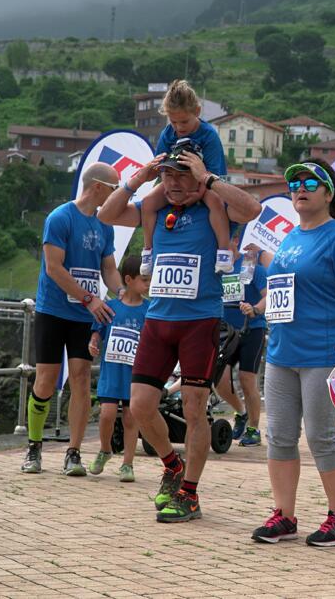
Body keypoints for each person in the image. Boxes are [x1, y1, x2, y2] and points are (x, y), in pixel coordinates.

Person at [98, 146, 261, 523]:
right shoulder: (156, 209)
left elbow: (253, 210)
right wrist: (139, 178)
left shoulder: (214, 206)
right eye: (166, 175)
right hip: (158, 321)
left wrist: (208, 178)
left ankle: (189, 493)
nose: (171, 183)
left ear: (197, 175)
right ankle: (172, 465)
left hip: (199, 323)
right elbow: (105, 214)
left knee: (193, 409)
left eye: (180, 175)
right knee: (139, 405)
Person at [248, 159, 335, 547]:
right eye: (294, 182)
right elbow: (283, 289)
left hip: (323, 352)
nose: (299, 187)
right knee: (280, 436)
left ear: (328, 193)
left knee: (321, 437)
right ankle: (284, 516)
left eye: (309, 182)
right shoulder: (290, 238)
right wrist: (257, 308)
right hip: (282, 353)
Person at [20, 162, 123, 476]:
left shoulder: (105, 225)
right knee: (46, 380)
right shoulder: (60, 218)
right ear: (97, 187)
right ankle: (34, 447)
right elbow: (54, 268)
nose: (117, 194)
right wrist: (90, 298)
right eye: (114, 188)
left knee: (80, 378)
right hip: (54, 310)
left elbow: (108, 268)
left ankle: (73, 452)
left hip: (84, 314)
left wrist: (125, 294)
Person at [139, 80, 233, 276]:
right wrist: (167, 189)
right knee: (148, 202)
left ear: (197, 111)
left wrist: (198, 194)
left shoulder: (209, 136)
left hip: (206, 183)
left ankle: (224, 250)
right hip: (175, 181)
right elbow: (161, 167)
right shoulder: (167, 134)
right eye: (173, 122)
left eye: (184, 122)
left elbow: (213, 175)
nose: (179, 127)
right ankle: (148, 250)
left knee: (215, 201)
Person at [86, 255, 150, 482]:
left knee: (132, 418)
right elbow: (97, 332)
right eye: (144, 280)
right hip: (111, 373)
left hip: (135, 376)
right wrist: (93, 341)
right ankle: (105, 449)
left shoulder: (149, 310)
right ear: (128, 280)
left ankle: (128, 464)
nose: (148, 284)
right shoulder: (110, 308)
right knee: (107, 415)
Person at [215, 233, 267, 447]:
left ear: (235, 240)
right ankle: (241, 412)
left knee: (247, 380)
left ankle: (253, 429)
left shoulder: (250, 265)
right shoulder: (216, 266)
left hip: (251, 329)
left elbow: (268, 294)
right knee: (219, 380)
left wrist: (254, 309)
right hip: (225, 331)